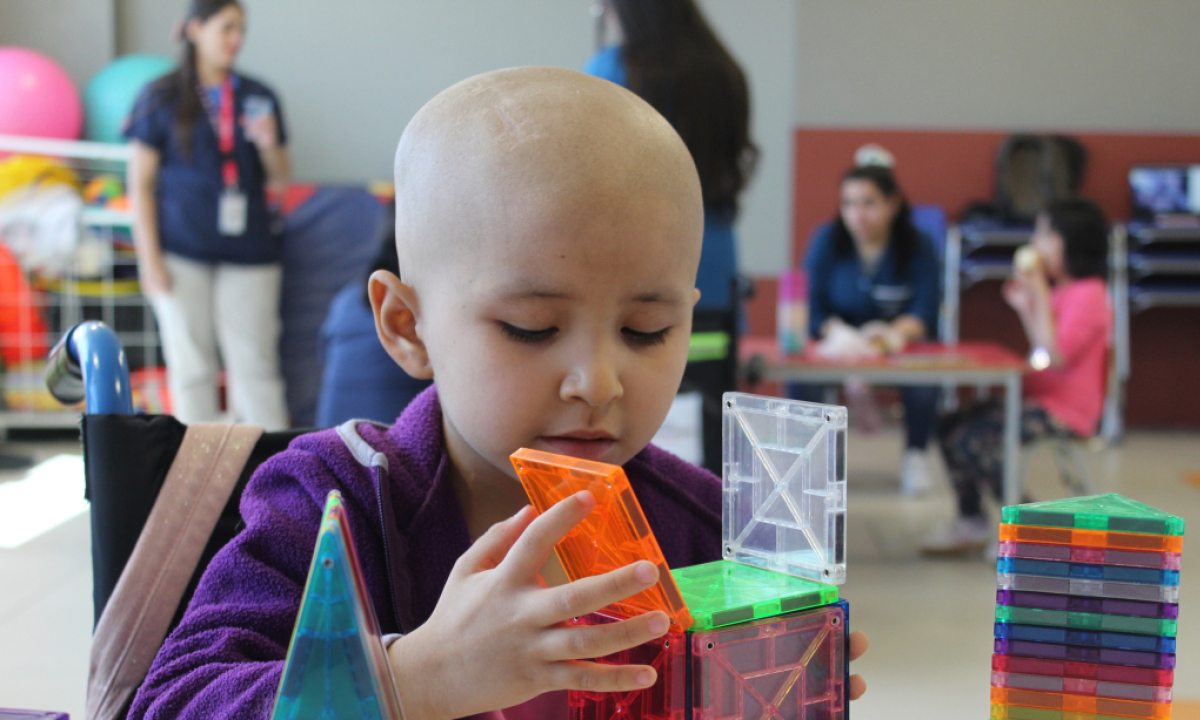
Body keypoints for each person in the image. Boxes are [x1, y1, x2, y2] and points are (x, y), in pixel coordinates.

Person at [127, 68, 867, 719]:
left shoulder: (705, 528)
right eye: (530, 328)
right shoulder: (329, 502)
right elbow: (172, 702)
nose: (598, 382)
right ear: (407, 326)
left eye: (646, 330)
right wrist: (414, 681)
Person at [125, 0, 291, 429]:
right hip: (181, 250)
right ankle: (198, 466)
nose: (236, 39)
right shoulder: (160, 96)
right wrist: (149, 260)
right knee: (192, 368)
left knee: (255, 367)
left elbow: (280, 179)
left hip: (250, 251)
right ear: (195, 29)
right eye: (227, 28)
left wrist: (268, 144)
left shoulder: (258, 95)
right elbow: (140, 185)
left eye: (242, 29)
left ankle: (273, 464)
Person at [923, 197, 1111, 555]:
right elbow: (1043, 345)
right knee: (949, 425)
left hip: (1066, 412)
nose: (1035, 244)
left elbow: (1056, 355)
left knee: (977, 439)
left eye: (1045, 236)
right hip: (1037, 399)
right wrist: (1027, 305)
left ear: (1071, 242)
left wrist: (1037, 291)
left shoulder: (1090, 294)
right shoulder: (1061, 291)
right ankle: (971, 519)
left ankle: (1031, 527)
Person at [584, 0, 757, 312]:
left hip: (639, 258)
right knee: (712, 342)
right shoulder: (726, 72)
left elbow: (588, 172)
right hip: (715, 256)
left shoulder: (615, 69)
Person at [801, 162, 942, 496]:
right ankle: (808, 461)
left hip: (897, 347)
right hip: (838, 346)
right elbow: (812, 309)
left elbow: (925, 310)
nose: (857, 215)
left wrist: (891, 336)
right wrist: (838, 334)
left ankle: (916, 456)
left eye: (868, 203)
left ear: (893, 204)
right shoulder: (826, 240)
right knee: (802, 377)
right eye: (848, 203)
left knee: (925, 382)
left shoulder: (918, 245)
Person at [315, 201, 432, 427]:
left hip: (332, 437)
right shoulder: (423, 308)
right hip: (380, 444)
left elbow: (325, 357)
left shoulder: (347, 300)